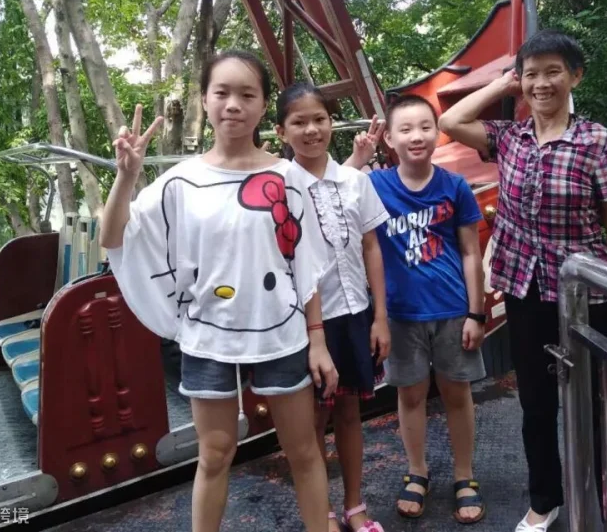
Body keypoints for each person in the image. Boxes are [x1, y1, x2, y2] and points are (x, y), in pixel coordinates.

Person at [100, 51, 339, 532]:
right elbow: (113, 237)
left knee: (303, 450)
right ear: (205, 99)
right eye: (222, 92)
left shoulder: (289, 178)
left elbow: (305, 266)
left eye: (247, 94)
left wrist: (318, 340)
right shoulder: (179, 183)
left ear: (263, 105)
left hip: (282, 334)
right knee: (214, 453)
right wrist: (126, 176)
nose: (233, 104)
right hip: (208, 337)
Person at [438, 29, 607, 532]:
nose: (542, 83)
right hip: (525, 290)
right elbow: (449, 121)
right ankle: (544, 501)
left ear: (576, 76)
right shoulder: (510, 138)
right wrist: (505, 83)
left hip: (585, 293)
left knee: (604, 404)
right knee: (536, 405)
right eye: (532, 74)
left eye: (554, 72)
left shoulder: (596, 140)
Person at [274, 83, 391, 532]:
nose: (311, 130)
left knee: (349, 412)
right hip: (307, 324)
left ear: (331, 123)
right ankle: (319, 509)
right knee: (312, 419)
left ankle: (355, 505)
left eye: (319, 119)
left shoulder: (355, 181)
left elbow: (371, 247)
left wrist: (380, 317)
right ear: (281, 131)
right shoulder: (280, 188)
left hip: (355, 312)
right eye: (299, 122)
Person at [367, 94, 488, 525]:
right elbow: (326, 189)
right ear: (390, 139)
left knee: (457, 393)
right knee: (411, 395)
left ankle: (464, 475)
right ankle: (417, 470)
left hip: (453, 309)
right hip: (401, 314)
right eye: (405, 129)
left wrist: (477, 313)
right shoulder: (375, 186)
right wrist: (358, 155)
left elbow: (471, 252)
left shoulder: (454, 186)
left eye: (424, 127)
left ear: (437, 133)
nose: (416, 136)